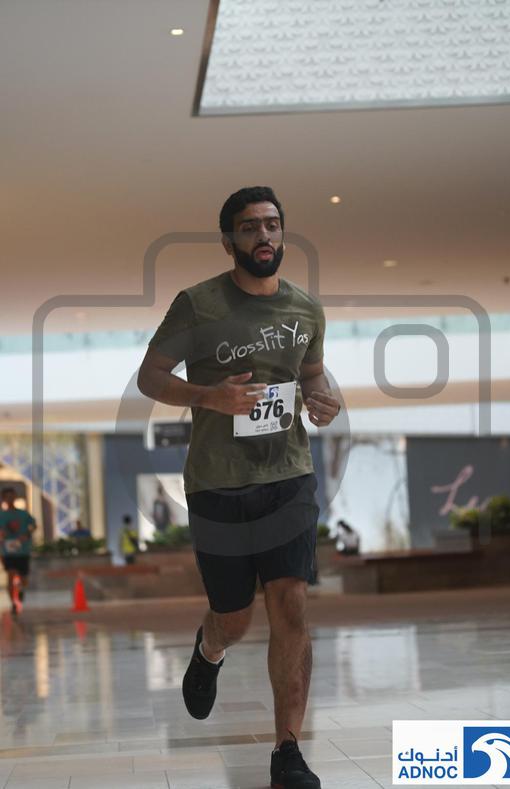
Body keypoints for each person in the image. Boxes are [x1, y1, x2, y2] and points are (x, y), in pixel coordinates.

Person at [138, 186, 341, 789]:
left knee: (291, 604)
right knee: (235, 617)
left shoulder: (305, 309)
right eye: (250, 227)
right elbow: (150, 376)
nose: (264, 235)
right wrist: (209, 396)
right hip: (217, 483)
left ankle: (288, 751)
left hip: (288, 476)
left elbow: (312, 374)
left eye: (272, 224)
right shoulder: (199, 305)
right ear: (229, 242)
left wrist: (325, 399)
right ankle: (210, 649)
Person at [0, 487, 36, 615]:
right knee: (10, 574)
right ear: (3, 499)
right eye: (7, 496)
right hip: (8, 551)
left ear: (15, 497)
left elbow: (34, 525)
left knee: (23, 577)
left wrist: (27, 534)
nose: (10, 499)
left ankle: (20, 590)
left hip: (23, 550)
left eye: (12, 496)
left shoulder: (23, 514)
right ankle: (13, 604)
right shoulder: (1, 515)